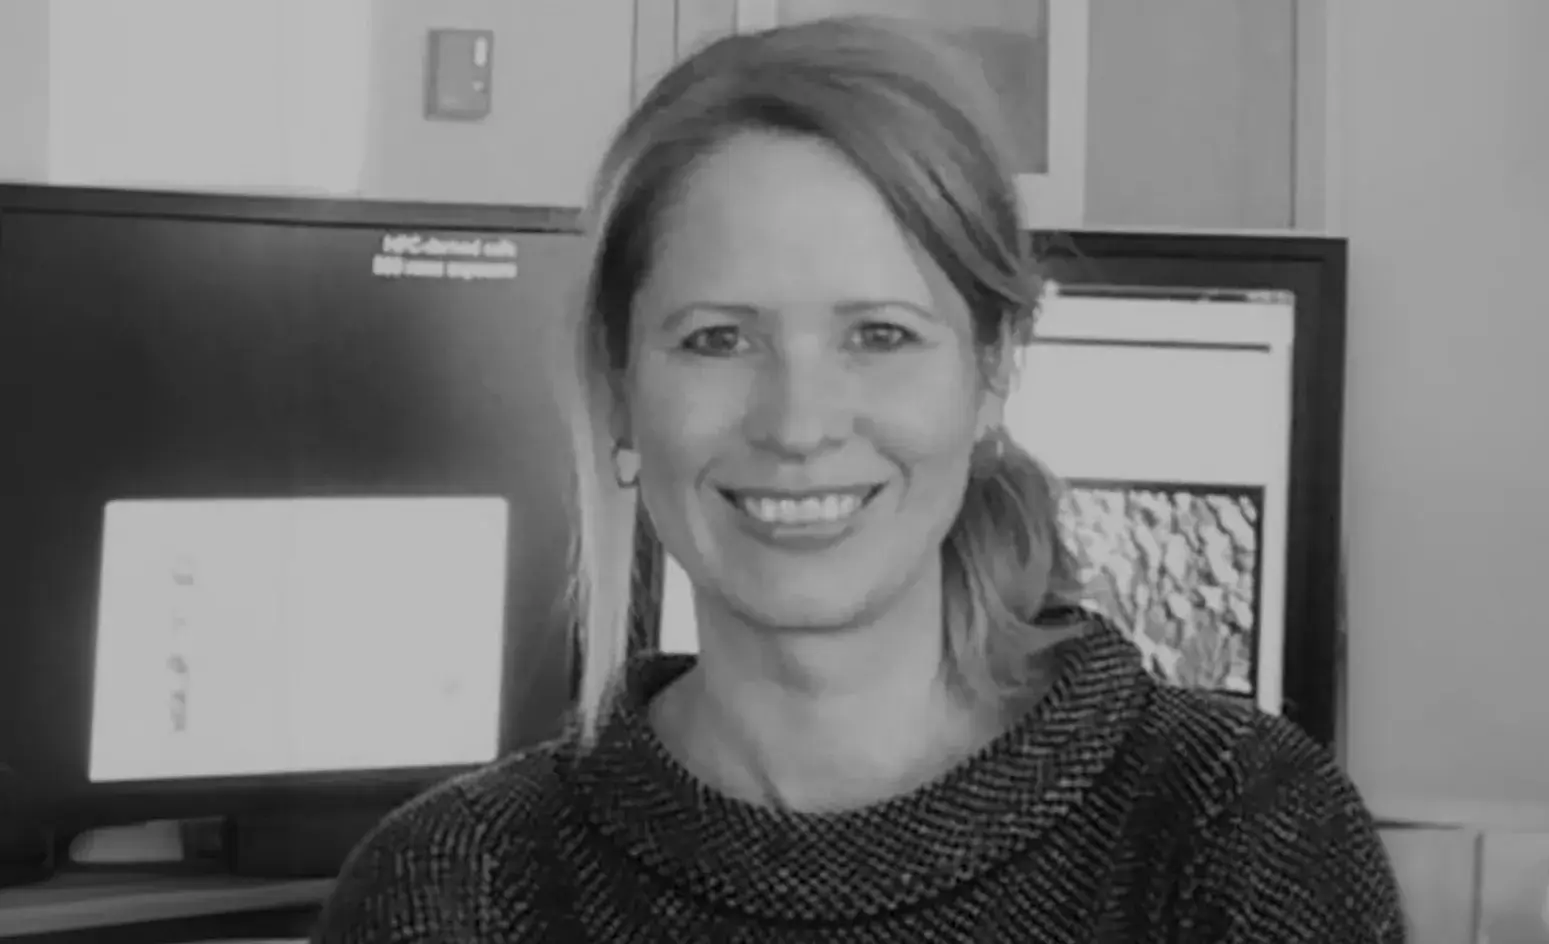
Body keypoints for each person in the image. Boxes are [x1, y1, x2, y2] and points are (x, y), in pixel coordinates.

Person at [314, 15, 1405, 943]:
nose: (797, 424)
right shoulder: (452, 890)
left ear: (991, 370)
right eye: (715, 339)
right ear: (618, 384)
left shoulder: (1238, 836)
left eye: (878, 334)